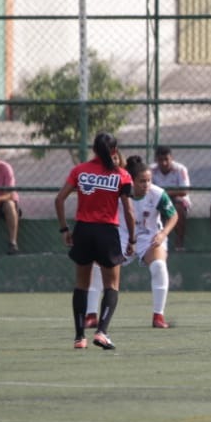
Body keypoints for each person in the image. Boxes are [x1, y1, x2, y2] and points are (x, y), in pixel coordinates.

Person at [55, 133, 136, 351]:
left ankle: (80, 337)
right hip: (108, 232)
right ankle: (102, 332)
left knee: (82, 284)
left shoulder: (80, 171)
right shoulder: (122, 175)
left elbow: (59, 199)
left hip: (83, 230)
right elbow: (128, 210)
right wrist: (133, 238)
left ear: (93, 150)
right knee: (112, 285)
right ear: (114, 151)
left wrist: (64, 229)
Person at [85, 155, 178, 329]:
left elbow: (173, 216)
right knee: (97, 267)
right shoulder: (117, 193)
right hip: (121, 237)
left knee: (159, 266)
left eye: (149, 180)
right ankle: (91, 315)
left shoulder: (157, 194)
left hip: (149, 237)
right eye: (142, 181)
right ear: (132, 181)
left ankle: (158, 316)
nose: (147, 185)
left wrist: (163, 234)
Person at [151, 146, 191, 251]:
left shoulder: (180, 169)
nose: (164, 163)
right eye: (160, 160)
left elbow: (184, 191)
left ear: (171, 158)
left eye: (166, 159)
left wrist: (163, 193)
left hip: (177, 200)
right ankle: (151, 242)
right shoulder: (151, 170)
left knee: (178, 209)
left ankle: (179, 243)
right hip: (157, 200)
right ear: (156, 160)